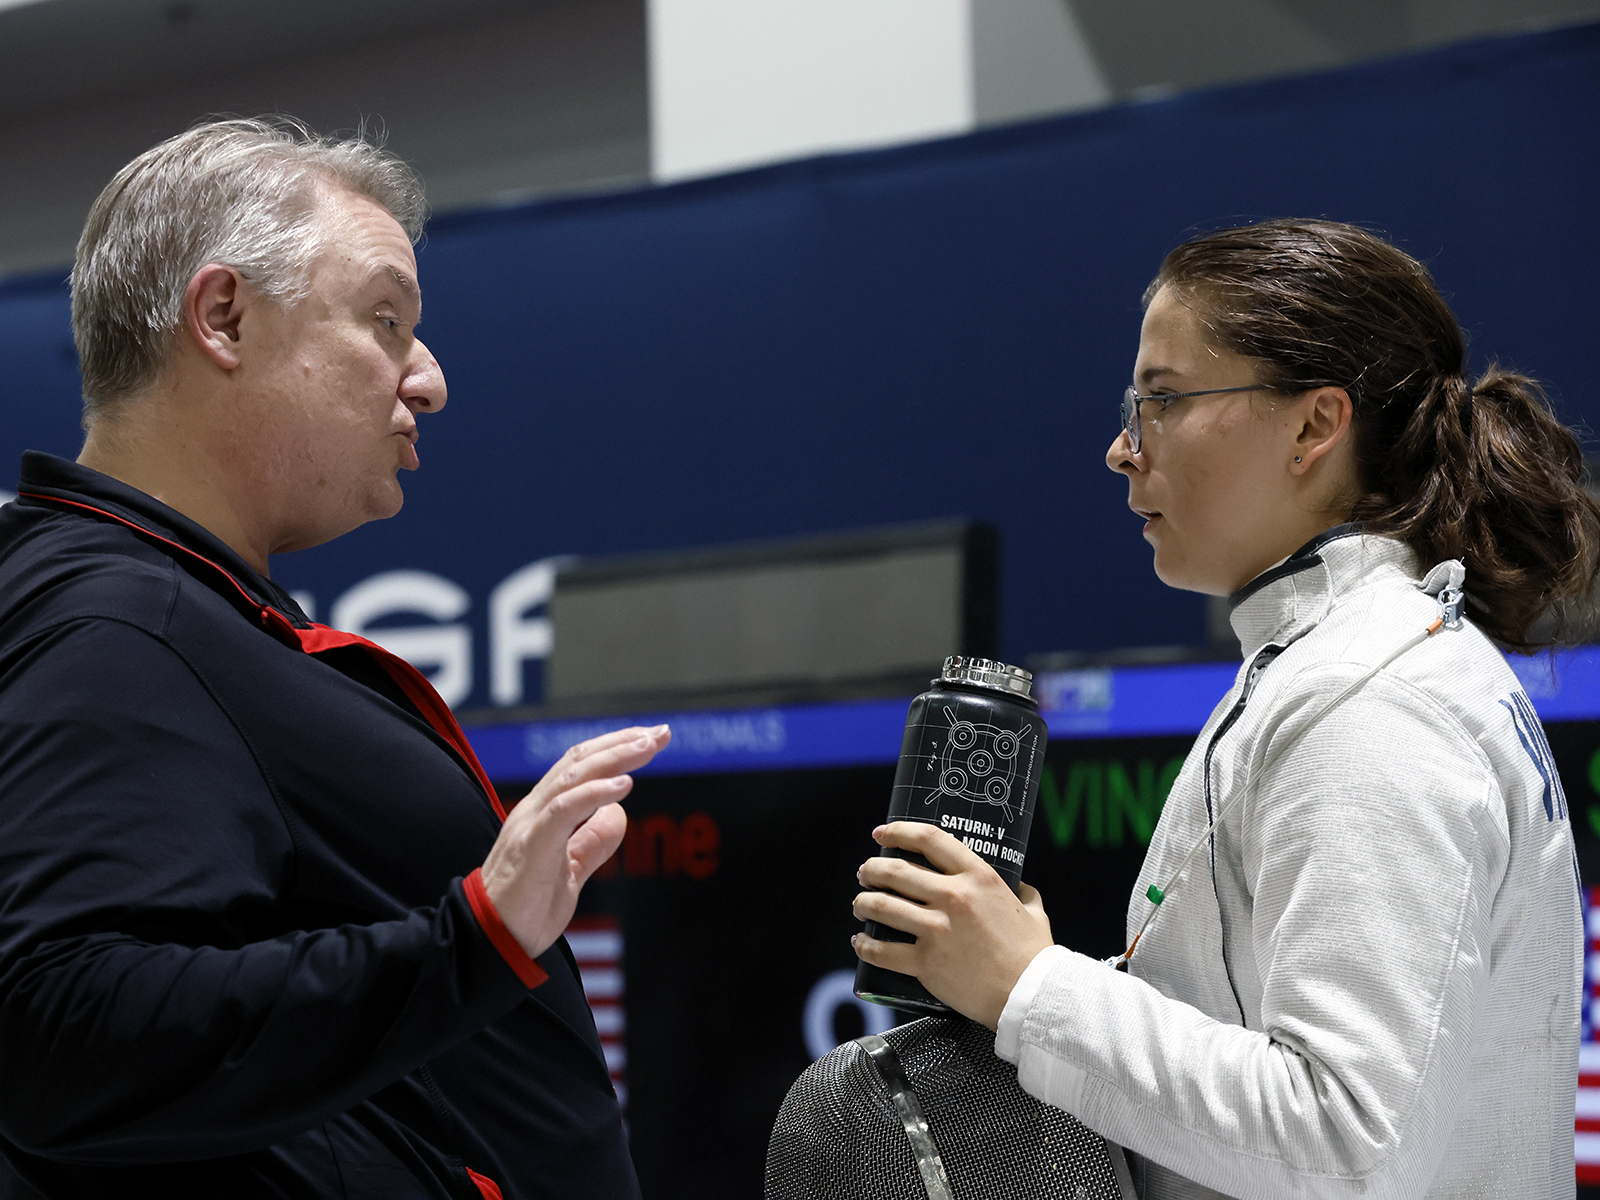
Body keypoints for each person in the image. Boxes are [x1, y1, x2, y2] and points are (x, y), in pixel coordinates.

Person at [852, 219, 1599, 1199]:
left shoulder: (1373, 700)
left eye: (1162, 400)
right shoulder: (1325, 667)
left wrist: (1031, 987)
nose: (1122, 450)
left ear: (1312, 425)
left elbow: (1346, 1143)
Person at [0, 118, 669, 1198]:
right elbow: (66, 1032)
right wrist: (477, 934)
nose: (429, 379)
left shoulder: (147, 609)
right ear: (222, 318)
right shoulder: (123, 623)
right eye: (384, 320)